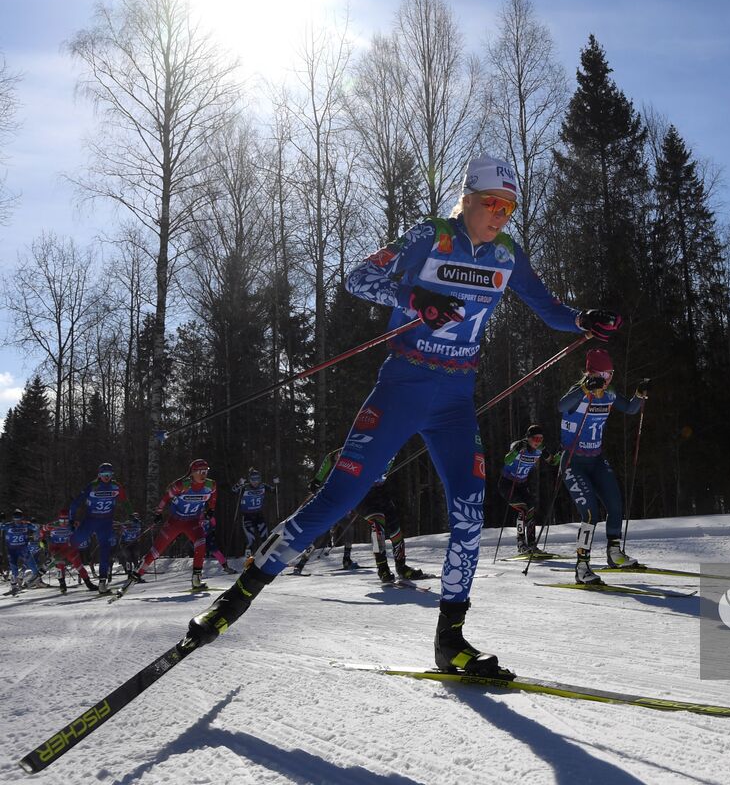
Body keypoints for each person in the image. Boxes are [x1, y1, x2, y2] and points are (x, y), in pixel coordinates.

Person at [189, 155, 620, 679]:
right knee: (339, 498)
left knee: (468, 511)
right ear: (467, 199)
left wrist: (582, 319)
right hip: (403, 384)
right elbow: (359, 279)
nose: (500, 215)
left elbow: (545, 305)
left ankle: (450, 640)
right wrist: (415, 296)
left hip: (455, 399)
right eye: (492, 203)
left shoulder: (508, 254)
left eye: (509, 207)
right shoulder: (431, 236)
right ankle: (235, 600)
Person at [557, 349, 649, 585]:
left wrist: (639, 395)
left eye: (610, 373)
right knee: (590, 513)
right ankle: (582, 566)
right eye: (602, 373)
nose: (607, 378)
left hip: (596, 459)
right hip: (573, 461)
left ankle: (614, 554)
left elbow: (628, 408)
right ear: (590, 372)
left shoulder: (608, 395)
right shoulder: (578, 393)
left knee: (616, 505)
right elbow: (561, 406)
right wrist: (585, 388)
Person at [130, 459, 219, 592]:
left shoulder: (210, 485)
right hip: (175, 522)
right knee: (157, 551)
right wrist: (159, 512)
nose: (203, 474)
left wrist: (211, 509)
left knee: (201, 543)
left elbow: (214, 497)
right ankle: (137, 574)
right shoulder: (182, 485)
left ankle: (196, 578)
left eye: (206, 471)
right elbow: (166, 498)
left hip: (193, 522)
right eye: (200, 471)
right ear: (193, 472)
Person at [68, 462, 131, 591]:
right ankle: (53, 562)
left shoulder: (116, 486)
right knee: (74, 542)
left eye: (109, 474)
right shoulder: (92, 486)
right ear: (99, 475)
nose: (106, 477)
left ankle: (102, 581)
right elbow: (75, 503)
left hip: (106, 522)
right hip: (91, 520)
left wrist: (131, 515)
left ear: (112, 475)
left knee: (105, 550)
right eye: (104, 474)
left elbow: (125, 501)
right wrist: (71, 519)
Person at [498, 423, 558, 556]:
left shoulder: (540, 449)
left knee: (531, 509)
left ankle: (531, 545)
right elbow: (507, 461)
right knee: (523, 508)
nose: (538, 442)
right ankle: (521, 544)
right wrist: (515, 451)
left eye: (541, 439)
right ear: (528, 438)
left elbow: (552, 461)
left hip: (521, 485)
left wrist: (561, 455)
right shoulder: (520, 445)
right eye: (535, 439)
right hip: (508, 484)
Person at [360, 472, 427, 583]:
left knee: (395, 529)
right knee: (377, 526)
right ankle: (382, 569)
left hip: (381, 494)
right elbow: (330, 461)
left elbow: (387, 466)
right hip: (363, 498)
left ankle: (401, 566)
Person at [41, 509, 97, 593]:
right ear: (58, 519)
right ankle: (62, 584)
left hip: (68, 548)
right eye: (62, 520)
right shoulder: (52, 525)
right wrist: (42, 540)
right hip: (56, 548)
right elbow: (42, 531)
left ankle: (88, 583)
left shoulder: (72, 524)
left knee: (78, 565)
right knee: (60, 566)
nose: (64, 522)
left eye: (66, 520)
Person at [234, 470, 275, 568]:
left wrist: (276, 483)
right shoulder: (245, 487)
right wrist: (239, 483)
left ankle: (266, 560)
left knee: (265, 538)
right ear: (249, 479)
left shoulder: (263, 486)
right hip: (247, 516)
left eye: (258, 479)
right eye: (253, 479)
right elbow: (233, 490)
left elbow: (274, 490)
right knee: (250, 540)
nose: (255, 482)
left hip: (259, 516)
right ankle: (248, 563)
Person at [5, 510, 42, 594]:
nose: (17, 521)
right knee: (14, 569)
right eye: (16, 519)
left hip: (23, 549)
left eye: (19, 519)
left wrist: (33, 525)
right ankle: (13, 585)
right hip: (12, 550)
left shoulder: (25, 524)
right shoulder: (9, 525)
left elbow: (36, 527)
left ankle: (33, 579)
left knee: (32, 565)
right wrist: (2, 521)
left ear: (22, 519)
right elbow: (2, 526)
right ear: (13, 519)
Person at [115, 514, 144, 580]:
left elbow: (138, 530)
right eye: (135, 518)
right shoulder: (126, 524)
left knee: (136, 559)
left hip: (134, 543)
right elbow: (121, 529)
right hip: (125, 544)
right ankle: (129, 574)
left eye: (137, 518)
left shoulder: (137, 524)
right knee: (128, 559)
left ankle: (137, 574)